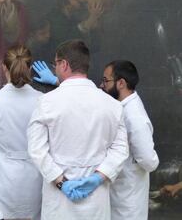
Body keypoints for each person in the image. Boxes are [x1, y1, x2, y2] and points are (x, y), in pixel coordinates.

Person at [27, 39, 129, 220]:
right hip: (96, 197)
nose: (55, 69)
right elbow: (121, 149)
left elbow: (37, 150)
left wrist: (61, 183)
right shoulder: (113, 105)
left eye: (55, 64)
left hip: (58, 199)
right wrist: (98, 177)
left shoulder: (46, 103)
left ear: (64, 64)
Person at [0, 45, 42, 220]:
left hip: (4, 179)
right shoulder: (43, 101)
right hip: (34, 179)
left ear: (4, 68)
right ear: (31, 68)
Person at [101, 60, 159, 220]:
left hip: (128, 203)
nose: (102, 85)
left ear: (121, 83)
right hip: (119, 194)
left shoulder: (134, 116)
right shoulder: (122, 106)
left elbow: (149, 161)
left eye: (106, 80)